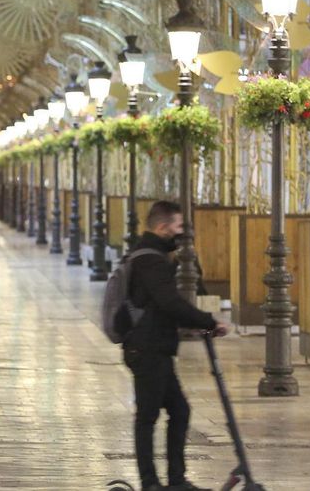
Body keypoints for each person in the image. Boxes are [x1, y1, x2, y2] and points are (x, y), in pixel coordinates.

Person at [124, 201, 228, 491]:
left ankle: (176, 480)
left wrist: (199, 321)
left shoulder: (149, 254)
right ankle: (150, 483)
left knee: (179, 411)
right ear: (163, 227)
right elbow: (168, 302)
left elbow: (163, 305)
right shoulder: (151, 260)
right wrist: (208, 320)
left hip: (154, 347)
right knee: (148, 416)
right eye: (178, 227)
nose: (182, 233)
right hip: (147, 349)